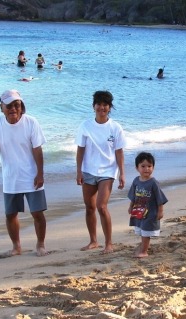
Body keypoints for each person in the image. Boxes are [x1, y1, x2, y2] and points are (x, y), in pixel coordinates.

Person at [0, 89, 48, 258]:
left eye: (17, 105)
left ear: (21, 106)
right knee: (10, 214)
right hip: (10, 177)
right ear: (1, 107)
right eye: (9, 105)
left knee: (37, 213)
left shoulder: (31, 122)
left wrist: (40, 173)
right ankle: (16, 247)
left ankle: (40, 244)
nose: (13, 109)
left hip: (31, 175)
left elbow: (37, 150)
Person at [75, 91, 126, 254]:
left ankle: (109, 243)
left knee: (101, 206)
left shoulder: (115, 127)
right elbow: (80, 149)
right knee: (89, 207)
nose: (101, 107)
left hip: (108, 171)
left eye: (105, 104)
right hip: (88, 170)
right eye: (99, 104)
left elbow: (119, 152)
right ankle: (93, 241)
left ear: (109, 107)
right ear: (94, 106)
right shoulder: (85, 126)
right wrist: (78, 171)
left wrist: (122, 174)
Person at [128, 152, 168, 258]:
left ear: (153, 167)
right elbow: (133, 195)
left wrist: (160, 211)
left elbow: (160, 198)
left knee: (146, 231)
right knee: (141, 230)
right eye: (143, 166)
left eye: (149, 166)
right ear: (137, 168)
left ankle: (144, 251)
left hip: (150, 212)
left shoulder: (153, 183)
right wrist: (131, 206)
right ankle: (143, 247)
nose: (146, 169)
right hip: (139, 211)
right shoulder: (136, 181)